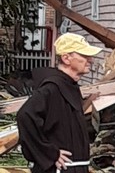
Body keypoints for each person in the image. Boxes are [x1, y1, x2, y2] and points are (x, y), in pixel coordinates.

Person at [17, 33, 102, 173]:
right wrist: (49, 153)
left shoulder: (69, 86)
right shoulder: (52, 88)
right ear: (66, 58)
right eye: (84, 56)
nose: (90, 60)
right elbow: (25, 116)